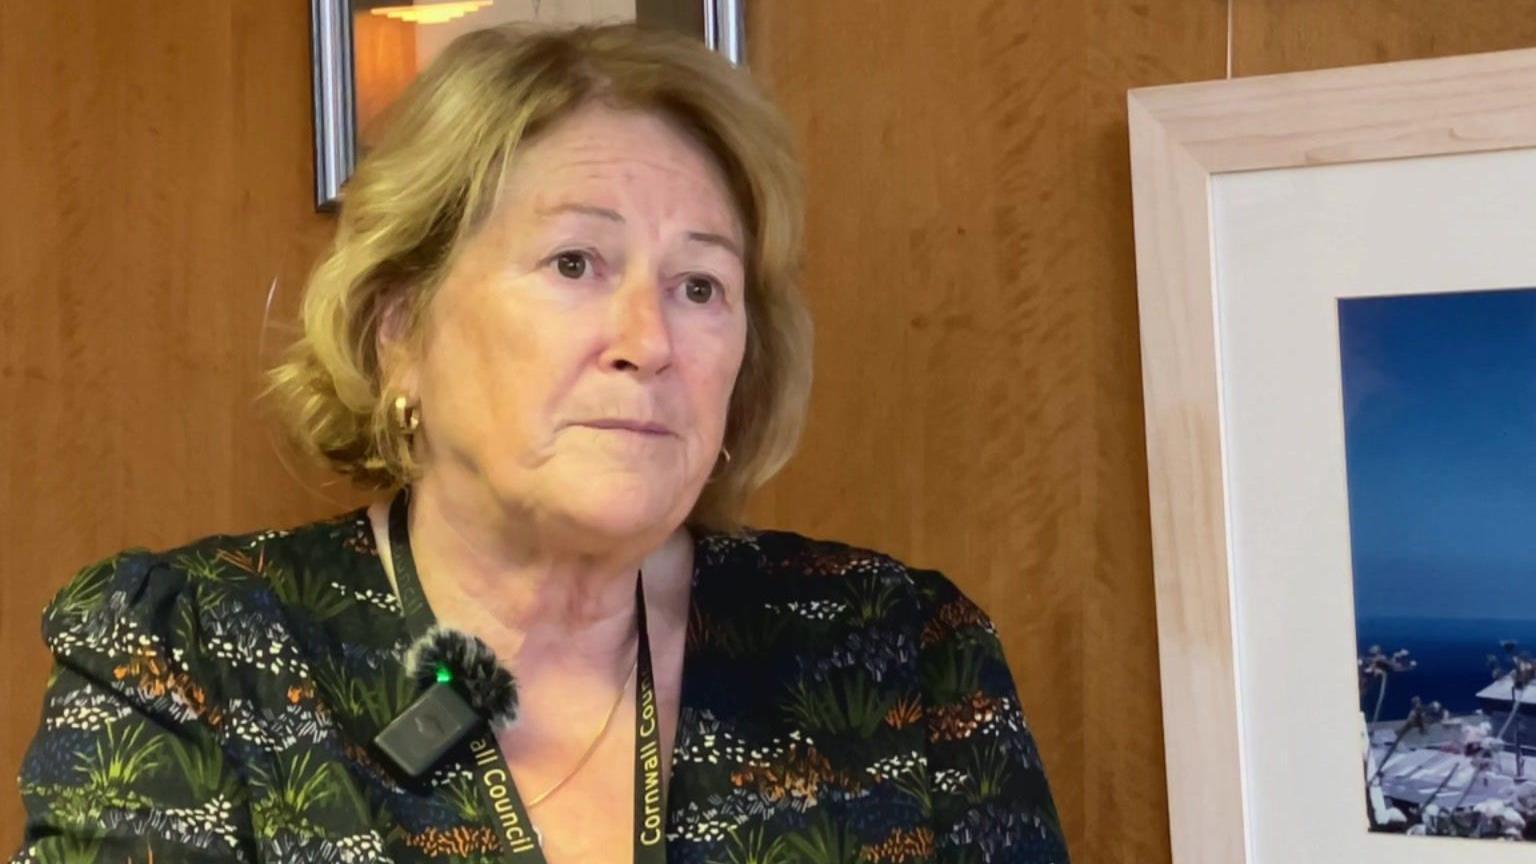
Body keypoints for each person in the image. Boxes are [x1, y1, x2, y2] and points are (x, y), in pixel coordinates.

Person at [13, 23, 1069, 864]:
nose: (648, 342)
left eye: (700, 285)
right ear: (401, 332)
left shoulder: (902, 659)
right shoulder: (187, 659)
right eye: (575, 264)